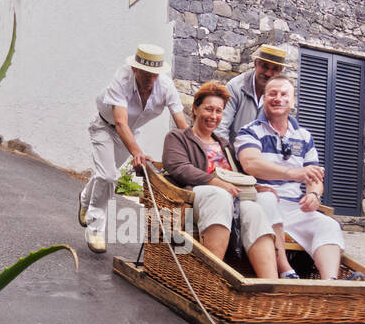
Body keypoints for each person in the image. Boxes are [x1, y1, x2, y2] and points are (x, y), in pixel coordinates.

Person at [162, 82, 298, 279]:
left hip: (232, 198)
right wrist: (214, 182)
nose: (214, 116)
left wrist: (258, 188)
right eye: (209, 109)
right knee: (219, 196)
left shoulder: (224, 144)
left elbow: (238, 176)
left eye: (219, 111)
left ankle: (270, 286)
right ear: (195, 108)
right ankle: (211, 280)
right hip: (196, 195)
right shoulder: (178, 137)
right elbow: (178, 167)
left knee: (255, 211)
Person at [235, 76, 356, 280]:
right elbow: (250, 164)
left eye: (284, 94)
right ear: (264, 99)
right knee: (267, 199)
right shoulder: (250, 131)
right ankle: (286, 270)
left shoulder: (304, 136)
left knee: (329, 225)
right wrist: (292, 173)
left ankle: (330, 284)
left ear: (293, 101)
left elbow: (315, 177)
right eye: (272, 94)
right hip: (263, 202)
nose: (278, 98)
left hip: (294, 207)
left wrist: (314, 196)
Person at [79, 44, 188, 253]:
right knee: (109, 175)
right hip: (105, 127)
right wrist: (137, 152)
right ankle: (95, 229)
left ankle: (84, 199)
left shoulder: (166, 87)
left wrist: (197, 148)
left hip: (129, 134)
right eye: (146, 74)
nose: (150, 80)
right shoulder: (122, 79)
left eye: (155, 75)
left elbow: (181, 123)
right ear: (135, 69)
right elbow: (120, 122)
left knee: (105, 174)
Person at [215, 44, 288, 145]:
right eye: (264, 66)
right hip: (233, 154)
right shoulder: (235, 87)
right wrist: (227, 155)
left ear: (280, 72)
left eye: (275, 69)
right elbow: (220, 127)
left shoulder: (282, 97)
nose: (268, 73)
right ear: (255, 64)